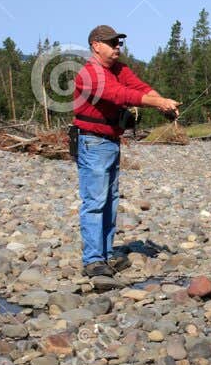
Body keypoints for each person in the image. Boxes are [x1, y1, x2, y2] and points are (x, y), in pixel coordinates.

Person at [70, 24, 179, 277]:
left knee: (110, 201)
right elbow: (119, 95)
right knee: (95, 203)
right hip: (92, 143)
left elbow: (139, 87)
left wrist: (162, 104)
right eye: (112, 42)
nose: (117, 46)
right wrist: (159, 102)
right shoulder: (88, 75)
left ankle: (106, 255)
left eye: (119, 42)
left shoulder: (120, 69)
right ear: (96, 46)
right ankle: (93, 261)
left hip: (110, 142)